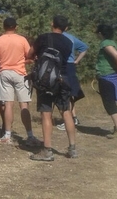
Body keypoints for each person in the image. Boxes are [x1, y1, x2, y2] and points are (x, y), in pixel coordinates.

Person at [27, 15, 77, 161]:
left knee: (46, 113)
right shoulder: (68, 43)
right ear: (66, 28)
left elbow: (30, 53)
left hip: (45, 81)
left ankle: (47, 151)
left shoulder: (43, 38)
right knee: (66, 112)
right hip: (63, 78)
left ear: (52, 24)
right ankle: (72, 148)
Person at [0, 17, 40, 147]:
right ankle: (30, 135)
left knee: (8, 104)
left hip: (5, 72)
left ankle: (7, 135)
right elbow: (29, 56)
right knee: (24, 105)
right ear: (15, 27)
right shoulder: (22, 40)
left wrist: (5, 62)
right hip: (20, 73)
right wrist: (21, 61)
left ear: (3, 27)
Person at [95, 24, 117, 139]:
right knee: (111, 103)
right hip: (112, 77)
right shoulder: (112, 42)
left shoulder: (105, 43)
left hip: (107, 77)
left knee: (109, 103)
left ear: (100, 33)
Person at [56, 25, 88, 130]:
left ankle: (67, 121)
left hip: (62, 65)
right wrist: (76, 61)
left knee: (63, 94)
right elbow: (84, 48)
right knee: (70, 94)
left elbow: (84, 48)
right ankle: (74, 118)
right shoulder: (71, 37)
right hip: (71, 66)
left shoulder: (57, 38)